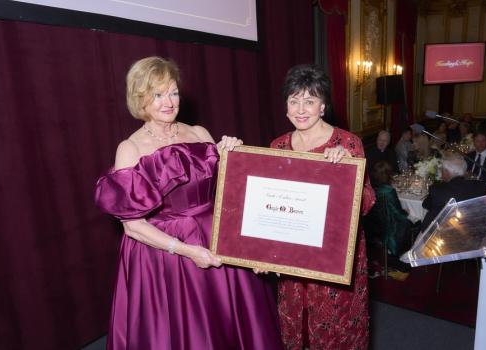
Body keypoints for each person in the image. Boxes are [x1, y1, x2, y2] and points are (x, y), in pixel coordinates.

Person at [94, 57, 283, 350]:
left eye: (173, 92)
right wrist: (185, 250)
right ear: (140, 99)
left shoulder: (199, 133)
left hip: (216, 239)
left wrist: (235, 154)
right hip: (166, 257)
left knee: (232, 326)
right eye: (158, 95)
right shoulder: (130, 149)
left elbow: (228, 193)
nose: (169, 102)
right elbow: (133, 227)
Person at [270, 64, 375, 350]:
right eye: (294, 101)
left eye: (310, 101)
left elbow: (366, 202)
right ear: (286, 107)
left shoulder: (347, 143)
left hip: (334, 259)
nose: (301, 109)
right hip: (294, 258)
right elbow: (270, 208)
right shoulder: (277, 147)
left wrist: (345, 172)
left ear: (323, 106)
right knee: (296, 323)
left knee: (337, 329)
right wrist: (268, 252)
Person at [421, 154, 486, 231]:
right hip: (471, 230)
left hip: (442, 232)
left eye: (442, 170)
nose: (441, 173)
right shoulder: (479, 186)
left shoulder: (437, 189)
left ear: (446, 172)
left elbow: (425, 204)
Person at [365, 161, 411, 265]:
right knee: (412, 221)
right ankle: (398, 256)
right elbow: (398, 213)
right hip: (385, 229)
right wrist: (406, 213)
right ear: (388, 175)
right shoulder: (389, 191)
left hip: (370, 226)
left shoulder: (369, 188)